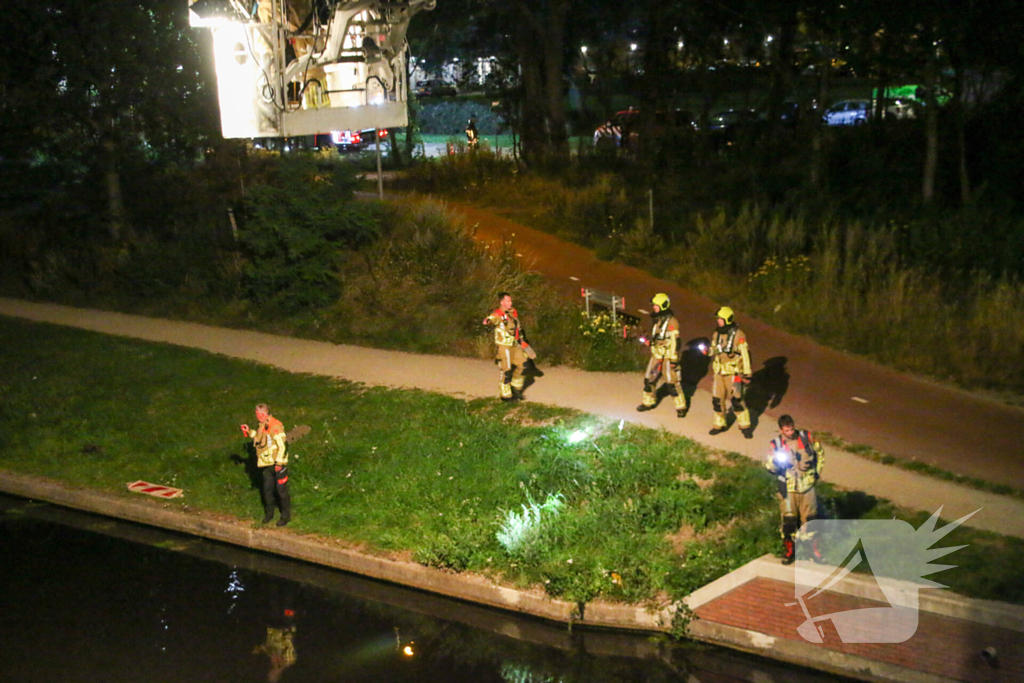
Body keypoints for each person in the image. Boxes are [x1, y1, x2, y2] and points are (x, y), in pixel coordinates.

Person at [765, 415, 825, 565]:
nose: (790, 432)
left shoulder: (807, 438)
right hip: (788, 488)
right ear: (781, 430)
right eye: (787, 430)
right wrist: (774, 461)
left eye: (791, 429)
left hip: (807, 487)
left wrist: (816, 473)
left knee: (811, 521)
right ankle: (790, 551)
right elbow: (769, 467)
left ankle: (813, 551)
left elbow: (820, 454)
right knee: (788, 522)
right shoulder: (776, 445)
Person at [704, 306, 753, 438]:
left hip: (734, 374)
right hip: (719, 373)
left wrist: (747, 373)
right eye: (718, 319)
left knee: (737, 400)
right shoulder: (717, 334)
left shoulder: (739, 335)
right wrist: (708, 352)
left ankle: (745, 426)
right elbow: (715, 349)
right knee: (717, 399)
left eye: (720, 319)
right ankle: (719, 424)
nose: (718, 321)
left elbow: (745, 354)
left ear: (727, 319)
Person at [636, 293, 687, 417]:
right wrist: (649, 342)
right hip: (657, 355)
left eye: (656, 305)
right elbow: (658, 336)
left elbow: (675, 341)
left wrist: (674, 359)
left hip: (668, 357)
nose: (654, 307)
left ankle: (681, 407)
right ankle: (648, 403)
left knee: (672, 384)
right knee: (649, 380)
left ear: (663, 306)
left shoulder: (672, 322)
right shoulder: (657, 320)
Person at [241, 403, 292, 526]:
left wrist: (279, 462)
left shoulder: (275, 426)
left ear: (263, 414)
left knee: (281, 491)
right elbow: (260, 439)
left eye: (258, 414)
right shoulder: (263, 425)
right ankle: (269, 514)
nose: (256, 416)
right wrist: (249, 432)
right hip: (266, 464)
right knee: (267, 490)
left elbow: (283, 445)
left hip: (277, 463)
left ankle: (285, 516)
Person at [483, 292, 534, 401]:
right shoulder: (498, 314)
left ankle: (516, 389)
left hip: (515, 344)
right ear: (502, 302)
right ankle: (505, 395)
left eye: (510, 300)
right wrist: (488, 321)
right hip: (504, 346)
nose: (510, 302)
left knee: (523, 365)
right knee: (506, 370)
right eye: (508, 301)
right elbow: (492, 319)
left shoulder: (512, 313)